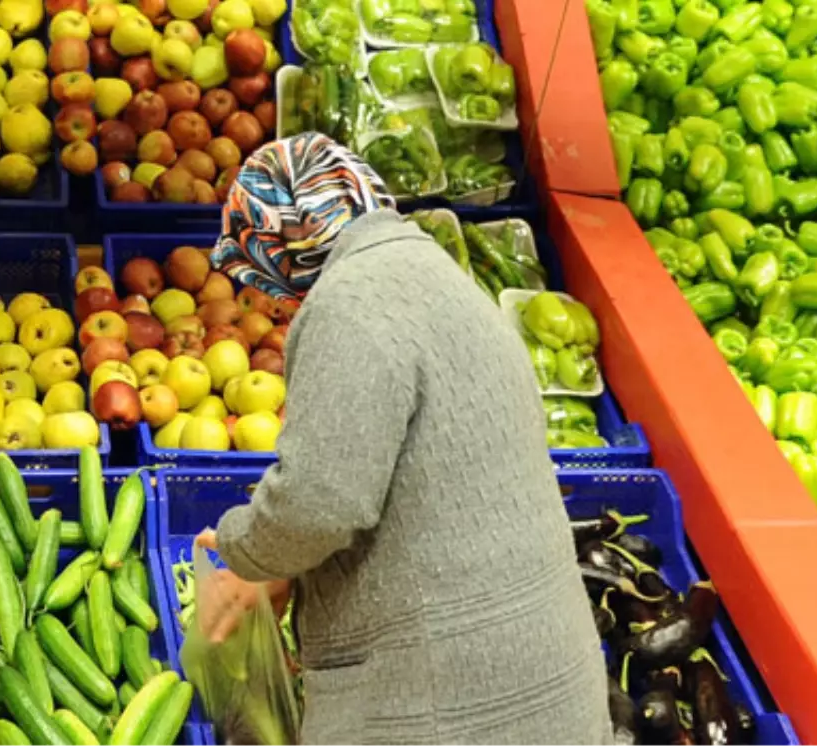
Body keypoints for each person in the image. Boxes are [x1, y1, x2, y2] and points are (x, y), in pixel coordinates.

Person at [192, 133, 612, 745]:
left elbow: (318, 501)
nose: (278, 305)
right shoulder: (439, 278)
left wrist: (245, 553)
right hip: (547, 682)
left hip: (451, 707)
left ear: (282, 245)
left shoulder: (349, 302)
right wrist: (289, 566)